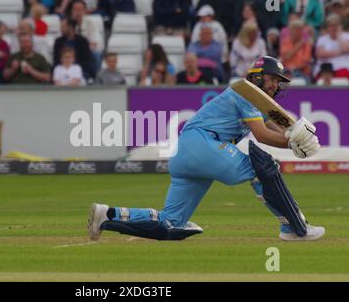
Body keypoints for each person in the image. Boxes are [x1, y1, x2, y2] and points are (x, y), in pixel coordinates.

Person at [88, 56, 325, 242]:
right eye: (272, 78)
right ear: (257, 76)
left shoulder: (255, 101)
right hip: (202, 144)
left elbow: (276, 128)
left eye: (278, 81)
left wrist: (292, 137)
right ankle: (292, 227)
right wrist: (293, 143)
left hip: (188, 153)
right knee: (262, 167)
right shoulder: (245, 92)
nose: (275, 85)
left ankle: (107, 214)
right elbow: (262, 136)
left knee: (169, 221)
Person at [314, 14, 349, 80]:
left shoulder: (346, 36)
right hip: (325, 68)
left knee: (343, 76)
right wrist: (340, 52)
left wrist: (339, 36)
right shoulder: (322, 39)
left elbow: (346, 49)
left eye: (336, 25)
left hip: (343, 66)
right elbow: (321, 54)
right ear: (327, 27)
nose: (333, 28)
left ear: (340, 26)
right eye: (331, 26)